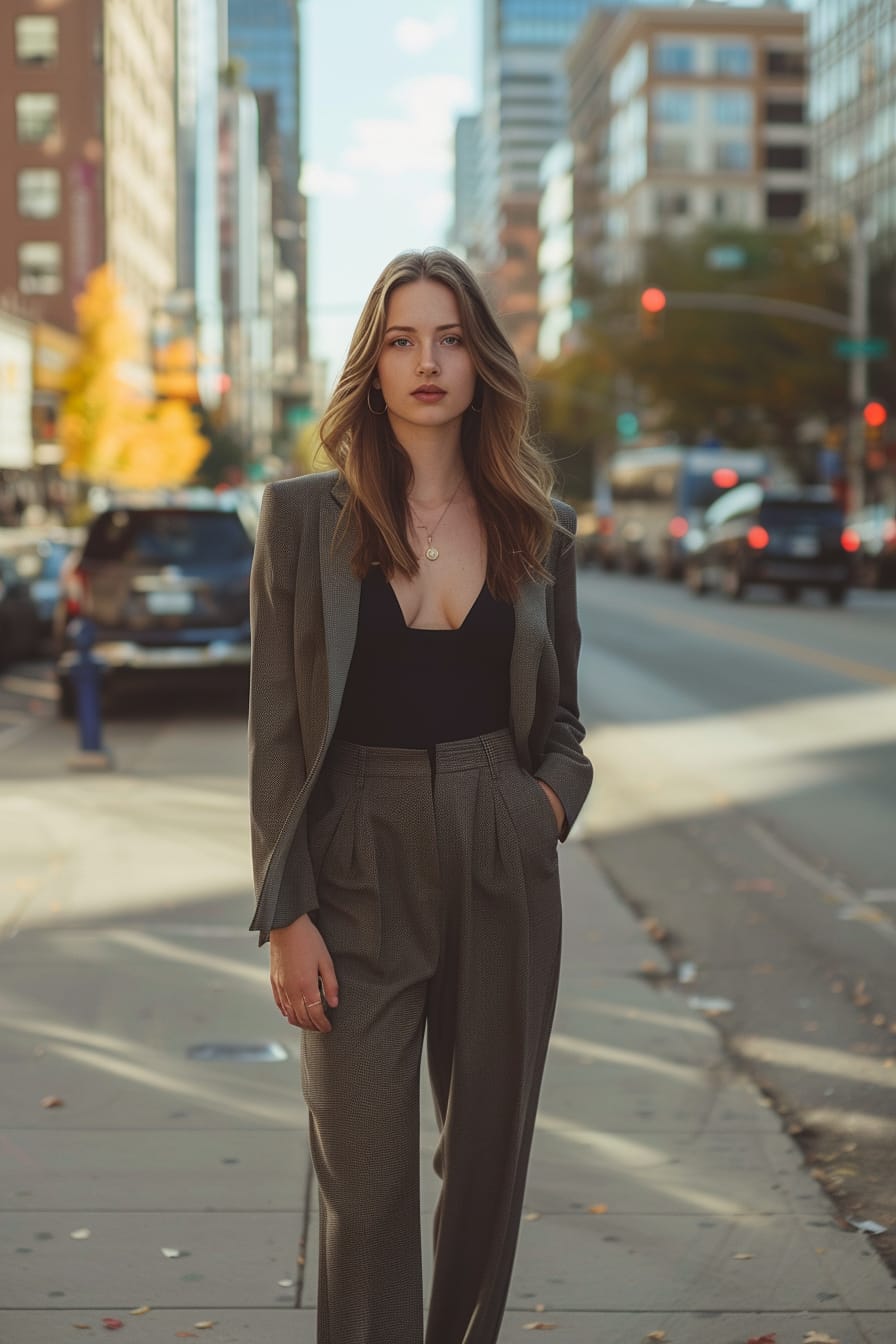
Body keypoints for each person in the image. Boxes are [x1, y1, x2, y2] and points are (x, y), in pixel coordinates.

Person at [248, 247, 593, 1344]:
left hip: (498, 839)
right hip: (354, 852)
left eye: (448, 337)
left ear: (479, 359)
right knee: (365, 1178)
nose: (426, 361)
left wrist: (541, 808)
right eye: (401, 340)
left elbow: (567, 725)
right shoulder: (303, 518)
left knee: (485, 1165)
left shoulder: (538, 527)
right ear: (372, 364)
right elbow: (275, 733)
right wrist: (284, 912)